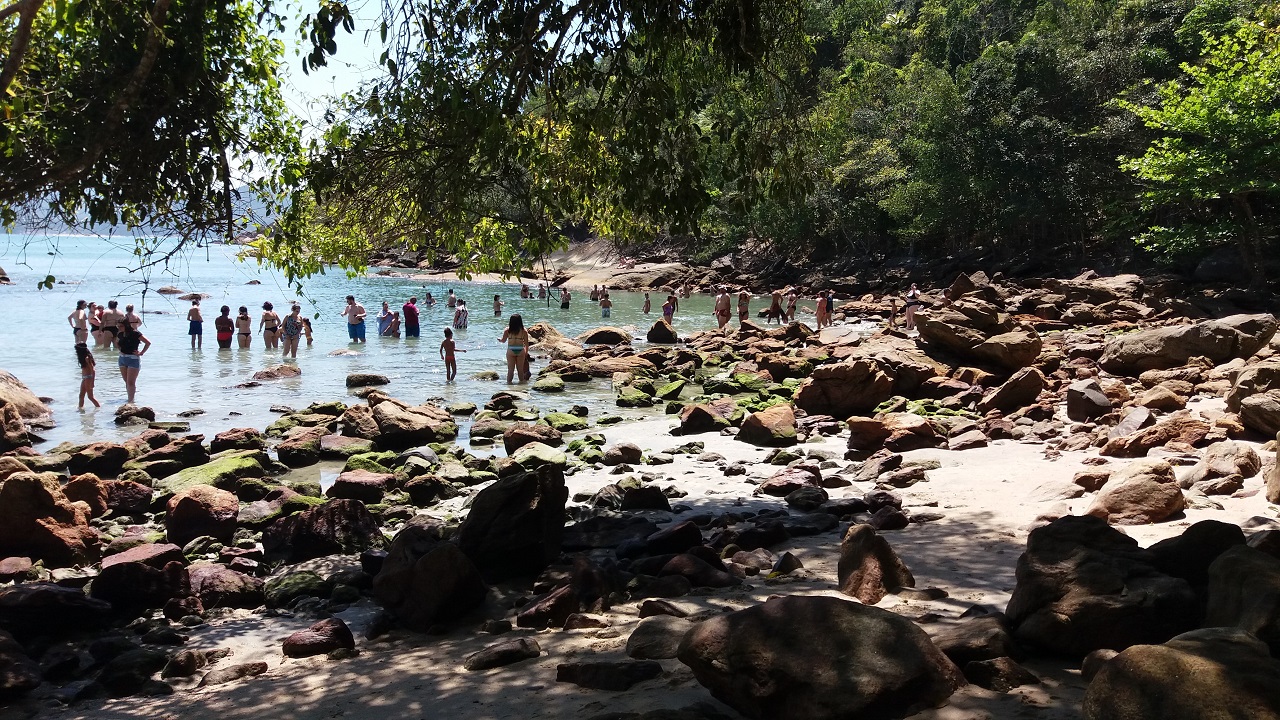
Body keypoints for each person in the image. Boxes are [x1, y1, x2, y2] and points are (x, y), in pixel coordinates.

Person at [116, 324, 151, 404]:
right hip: (122, 358)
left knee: (131, 382)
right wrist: (120, 349)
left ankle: (131, 401)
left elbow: (148, 343)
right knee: (126, 381)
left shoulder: (135, 333)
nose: (119, 328)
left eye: (121, 326)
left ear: (126, 325)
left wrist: (141, 353)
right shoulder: (120, 334)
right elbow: (117, 342)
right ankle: (129, 399)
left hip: (133, 359)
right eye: (118, 326)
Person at [500, 314, 531, 384]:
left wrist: (500, 340)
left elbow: (503, 340)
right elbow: (526, 343)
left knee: (510, 370)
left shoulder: (507, 330)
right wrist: (526, 352)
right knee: (520, 370)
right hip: (520, 350)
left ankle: (509, 384)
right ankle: (521, 385)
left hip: (511, 350)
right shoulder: (524, 331)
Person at [75, 343, 100, 410]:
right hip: (85, 378)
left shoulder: (87, 358)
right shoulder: (83, 358)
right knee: (81, 395)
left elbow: (93, 370)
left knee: (90, 397)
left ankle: (98, 408)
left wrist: (92, 382)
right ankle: (80, 409)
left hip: (89, 378)